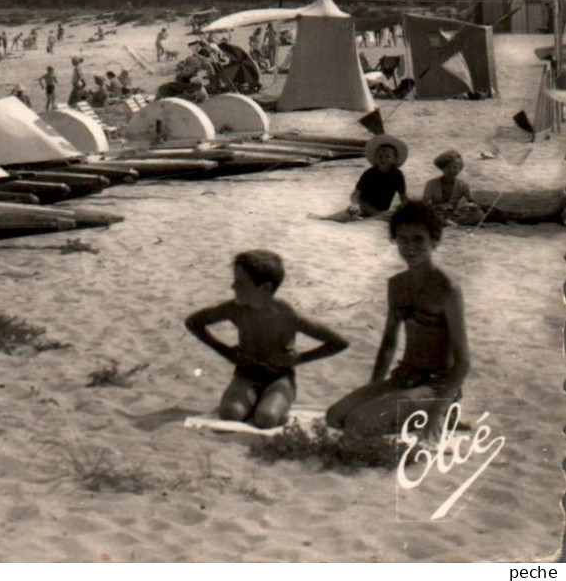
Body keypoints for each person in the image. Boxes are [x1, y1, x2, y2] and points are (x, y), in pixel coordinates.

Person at [327, 202, 469, 435]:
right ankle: (410, 413)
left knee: (358, 423)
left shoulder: (447, 289)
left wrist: (437, 409)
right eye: (403, 240)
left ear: (435, 240)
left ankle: (443, 415)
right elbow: (389, 344)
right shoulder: (397, 285)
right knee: (334, 417)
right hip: (403, 378)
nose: (410, 247)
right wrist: (372, 387)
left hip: (436, 386)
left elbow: (463, 362)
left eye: (418, 240)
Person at [185, 250, 349, 429]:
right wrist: (225, 351)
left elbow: (339, 342)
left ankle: (271, 400)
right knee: (230, 415)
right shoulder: (235, 310)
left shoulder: (285, 315)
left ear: (265, 289)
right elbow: (194, 322)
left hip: (279, 377)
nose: (233, 286)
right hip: (246, 374)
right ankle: (256, 399)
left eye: (241, 282)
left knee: (266, 418)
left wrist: (300, 358)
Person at [348, 135, 408, 219]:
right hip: (364, 205)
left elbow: (403, 196)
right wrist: (354, 204)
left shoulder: (397, 175)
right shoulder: (369, 173)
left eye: (387, 156)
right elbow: (356, 193)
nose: (383, 159)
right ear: (375, 158)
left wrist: (406, 210)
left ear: (394, 159)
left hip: (380, 210)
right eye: (380, 156)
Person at [422, 150, 482, 227]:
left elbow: (472, 201)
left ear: (460, 168)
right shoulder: (431, 184)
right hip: (436, 212)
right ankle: (447, 223)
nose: (452, 171)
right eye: (448, 167)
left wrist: (470, 206)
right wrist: (438, 206)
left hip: (453, 214)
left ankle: (449, 223)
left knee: (478, 214)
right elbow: (424, 204)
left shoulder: (463, 185)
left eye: (455, 167)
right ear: (442, 168)